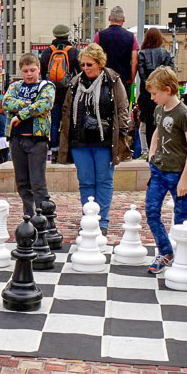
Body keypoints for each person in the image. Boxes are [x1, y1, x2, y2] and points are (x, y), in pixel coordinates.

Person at [58, 43, 131, 235]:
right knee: (86, 180)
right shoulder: (75, 82)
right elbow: (67, 108)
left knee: (104, 179)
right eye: (82, 65)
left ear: (99, 63)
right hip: (80, 138)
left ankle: (103, 220)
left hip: (105, 139)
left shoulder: (112, 80)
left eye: (89, 64)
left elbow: (123, 107)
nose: (85, 68)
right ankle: (89, 216)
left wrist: (123, 131)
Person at [145, 66, 187, 273]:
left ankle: (183, 255)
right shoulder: (159, 109)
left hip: (178, 173)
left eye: (154, 93)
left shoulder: (183, 113)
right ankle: (166, 251)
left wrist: (185, 178)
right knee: (151, 211)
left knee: (181, 215)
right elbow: (157, 130)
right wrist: (151, 151)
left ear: (168, 90)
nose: (152, 98)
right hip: (158, 170)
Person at [3, 53, 55, 216]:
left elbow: (45, 104)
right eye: (25, 71)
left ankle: (45, 216)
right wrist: (31, 105)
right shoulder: (15, 86)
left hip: (37, 139)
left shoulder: (46, 86)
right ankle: (29, 214)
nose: (29, 74)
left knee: (38, 182)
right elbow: (6, 102)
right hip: (17, 138)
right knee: (22, 181)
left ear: (39, 69)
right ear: (21, 71)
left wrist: (20, 115)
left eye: (32, 70)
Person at [39, 24, 80, 162]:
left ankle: (54, 151)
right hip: (69, 92)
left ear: (54, 35)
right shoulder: (73, 51)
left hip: (52, 92)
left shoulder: (47, 52)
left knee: (54, 122)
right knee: (69, 121)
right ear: (68, 35)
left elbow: (42, 74)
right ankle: (67, 150)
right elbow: (79, 73)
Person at [137, 28, 174, 155]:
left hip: (147, 94)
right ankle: (162, 151)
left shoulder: (142, 54)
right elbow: (170, 74)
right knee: (163, 122)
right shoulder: (167, 53)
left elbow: (142, 76)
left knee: (148, 124)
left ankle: (150, 153)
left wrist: (150, 88)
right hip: (163, 93)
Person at [94, 6, 139, 101]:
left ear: (109, 18)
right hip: (123, 80)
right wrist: (131, 78)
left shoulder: (99, 36)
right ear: (123, 20)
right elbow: (135, 61)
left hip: (104, 79)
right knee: (122, 110)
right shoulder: (131, 37)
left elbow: (93, 56)